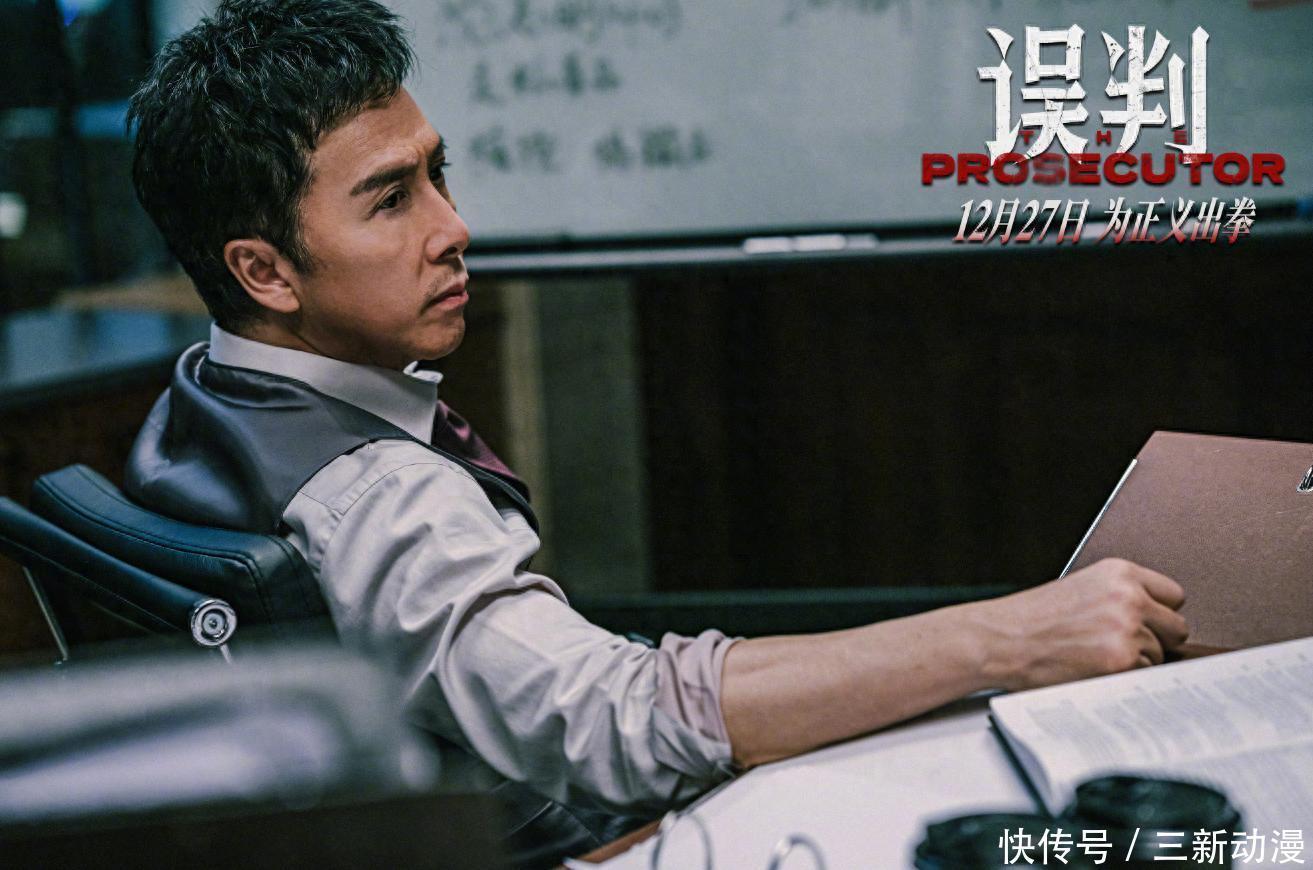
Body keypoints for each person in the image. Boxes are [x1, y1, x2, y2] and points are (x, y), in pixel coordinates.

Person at [123, 0, 1190, 863]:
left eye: (436, 174)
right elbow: (606, 722)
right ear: (263, 270)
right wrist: (1013, 637)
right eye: (391, 200)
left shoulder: (212, 389)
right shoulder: (378, 494)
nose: (454, 228)